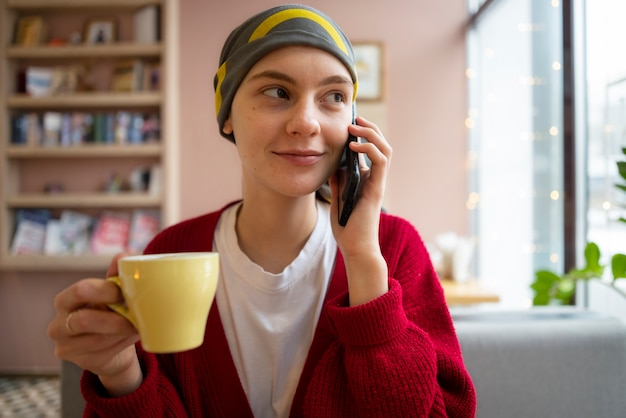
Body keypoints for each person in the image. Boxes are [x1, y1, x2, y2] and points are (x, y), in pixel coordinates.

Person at [47, 4, 477, 417]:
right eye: (277, 92)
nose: (306, 122)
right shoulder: (172, 250)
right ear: (228, 113)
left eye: (333, 97)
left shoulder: (392, 247)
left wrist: (364, 262)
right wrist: (121, 374)